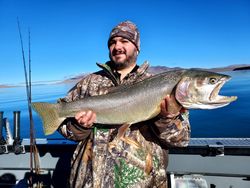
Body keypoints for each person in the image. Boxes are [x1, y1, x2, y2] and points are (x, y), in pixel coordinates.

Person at [58, 21, 190, 188]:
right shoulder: (88, 83)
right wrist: (80, 127)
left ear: (137, 47)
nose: (117, 46)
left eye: (124, 41)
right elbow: (64, 127)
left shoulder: (161, 85)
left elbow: (180, 140)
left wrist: (166, 119)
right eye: (113, 42)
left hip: (144, 182)